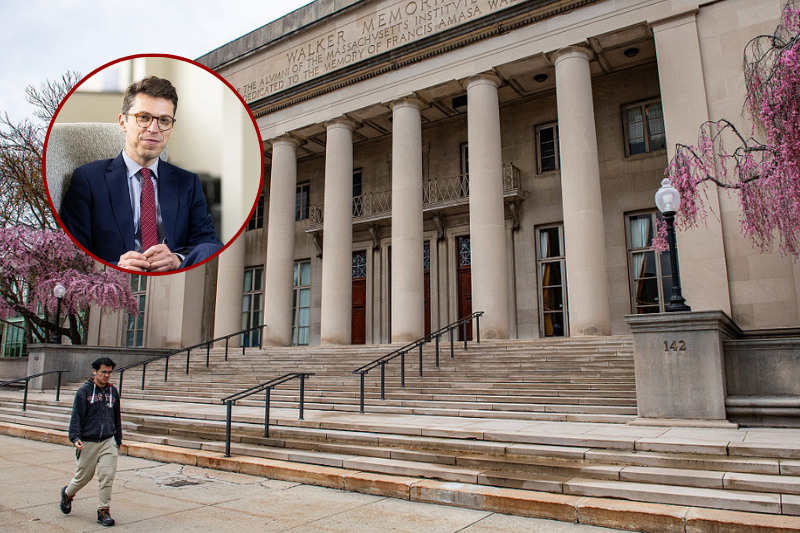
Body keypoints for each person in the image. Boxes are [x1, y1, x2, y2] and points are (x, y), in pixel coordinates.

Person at [59, 76, 223, 272]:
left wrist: (178, 260)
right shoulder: (88, 180)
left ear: (171, 128)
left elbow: (210, 245)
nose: (154, 129)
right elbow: (73, 256)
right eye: (144, 117)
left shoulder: (188, 182)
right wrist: (115, 268)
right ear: (123, 122)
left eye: (164, 120)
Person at [60, 357, 122, 527]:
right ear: (94, 371)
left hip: (108, 440)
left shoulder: (113, 392)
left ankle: (103, 510)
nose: (106, 375)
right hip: (88, 440)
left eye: (109, 372)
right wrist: (75, 438)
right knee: (83, 477)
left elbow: (116, 416)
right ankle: (67, 493)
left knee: (107, 476)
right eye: (103, 372)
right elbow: (76, 417)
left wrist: (118, 438)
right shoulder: (84, 392)